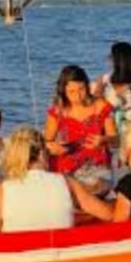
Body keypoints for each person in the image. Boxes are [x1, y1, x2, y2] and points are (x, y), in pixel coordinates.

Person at [0, 126, 111, 233]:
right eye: (47, 151)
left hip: (21, 260)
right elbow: (109, 215)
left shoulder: (3, 190)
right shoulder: (67, 182)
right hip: (61, 258)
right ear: (40, 154)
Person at [44, 65, 117, 193]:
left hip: (96, 165)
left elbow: (117, 140)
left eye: (81, 89)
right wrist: (54, 148)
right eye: (71, 92)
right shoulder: (57, 111)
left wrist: (103, 139)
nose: (77, 95)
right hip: (65, 164)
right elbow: (46, 142)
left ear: (87, 86)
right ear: (63, 91)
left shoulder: (101, 106)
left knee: (99, 188)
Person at [92, 41, 131, 138]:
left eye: (111, 56)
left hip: (110, 132)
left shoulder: (103, 80)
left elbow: (96, 105)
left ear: (114, 60)